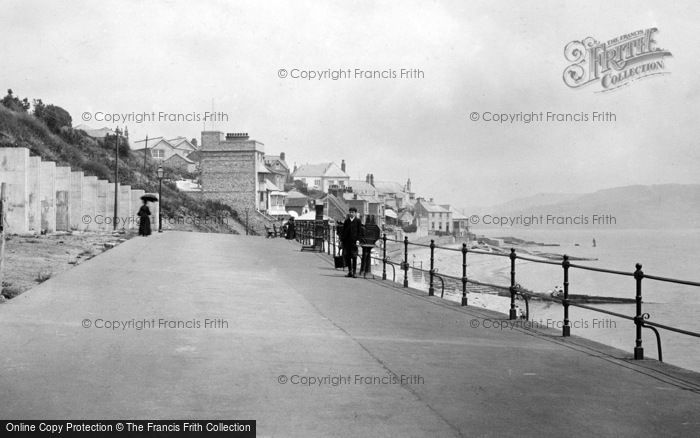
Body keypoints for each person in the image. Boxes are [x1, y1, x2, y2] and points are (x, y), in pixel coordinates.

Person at [341, 207, 363, 278]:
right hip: (347, 242)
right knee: (348, 257)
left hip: (354, 242)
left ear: (355, 213)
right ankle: (350, 271)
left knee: (354, 257)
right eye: (350, 212)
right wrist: (342, 240)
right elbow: (343, 231)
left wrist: (358, 240)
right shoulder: (347, 221)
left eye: (352, 212)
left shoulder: (358, 221)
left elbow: (360, 231)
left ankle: (354, 272)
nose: (351, 213)